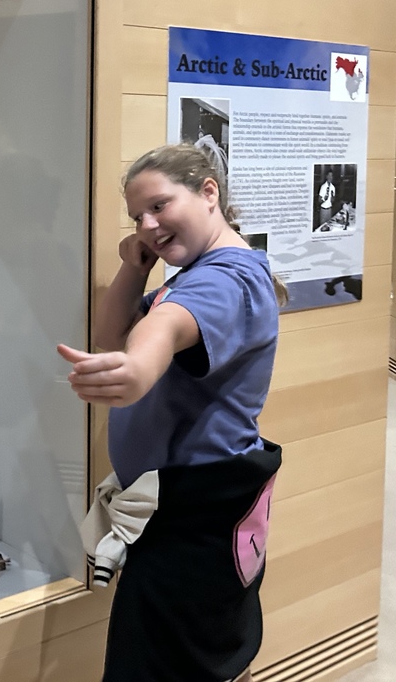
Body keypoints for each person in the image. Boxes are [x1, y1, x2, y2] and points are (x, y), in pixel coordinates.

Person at [58, 143, 286, 682]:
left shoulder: (227, 278)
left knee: (181, 664)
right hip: (183, 512)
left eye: (159, 205)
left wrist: (136, 370)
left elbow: (160, 331)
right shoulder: (193, 273)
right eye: (138, 215)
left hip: (197, 516)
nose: (148, 224)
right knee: (203, 657)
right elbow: (111, 338)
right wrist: (134, 266)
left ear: (209, 192)